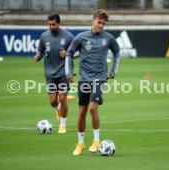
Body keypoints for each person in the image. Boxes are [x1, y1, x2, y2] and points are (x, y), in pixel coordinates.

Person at [65, 9, 120, 156]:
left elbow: (116, 52)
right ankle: (80, 143)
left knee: (92, 108)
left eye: (104, 23)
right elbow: (69, 53)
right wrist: (69, 73)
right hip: (84, 78)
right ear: (92, 20)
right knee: (82, 111)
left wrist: (114, 70)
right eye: (99, 22)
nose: (101, 25)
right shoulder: (81, 37)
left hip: (99, 78)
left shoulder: (108, 38)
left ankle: (96, 140)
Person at [34, 13, 74, 134]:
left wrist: (66, 53)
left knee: (62, 97)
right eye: (49, 24)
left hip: (64, 72)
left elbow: (77, 53)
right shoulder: (44, 36)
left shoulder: (68, 36)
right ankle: (58, 109)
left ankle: (63, 125)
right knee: (52, 101)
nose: (51, 26)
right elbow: (40, 49)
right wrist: (38, 56)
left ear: (58, 23)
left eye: (53, 24)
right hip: (50, 73)